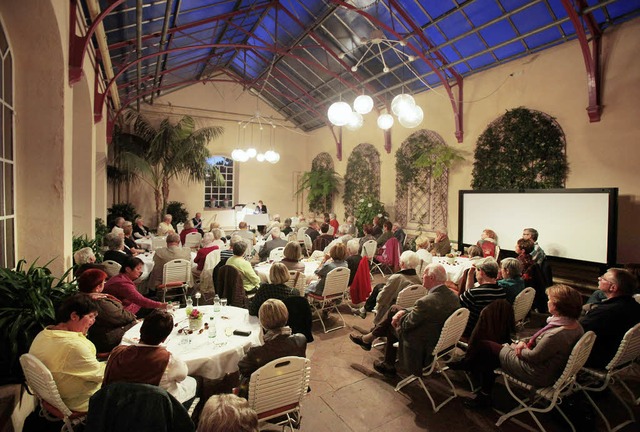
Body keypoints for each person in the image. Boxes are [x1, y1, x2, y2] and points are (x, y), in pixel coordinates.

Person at [463, 284, 584, 408]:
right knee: (492, 352)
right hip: (553, 370)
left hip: (536, 373)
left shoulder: (556, 334)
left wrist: (519, 347)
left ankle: (481, 391)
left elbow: (533, 357)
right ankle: (482, 386)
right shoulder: (576, 326)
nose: (547, 302)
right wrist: (521, 344)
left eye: (550, 300)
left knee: (485, 346)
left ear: (557, 306)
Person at [349, 264, 460, 376]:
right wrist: (403, 311)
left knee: (392, 323)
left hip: (422, 345)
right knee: (394, 310)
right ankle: (371, 342)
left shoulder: (426, 302)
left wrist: (398, 317)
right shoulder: (453, 297)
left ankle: (385, 361)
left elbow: (406, 325)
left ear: (432, 278)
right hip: (440, 340)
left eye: (424, 274)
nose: (422, 277)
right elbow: (426, 312)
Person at [103, 310, 197, 406]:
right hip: (154, 409)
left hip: (116, 406)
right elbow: (181, 377)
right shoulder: (169, 360)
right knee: (193, 381)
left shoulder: (117, 352)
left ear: (140, 330)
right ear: (165, 338)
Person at [28, 294, 105, 412]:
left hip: (53, 396)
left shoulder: (44, 333)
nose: (93, 321)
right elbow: (100, 375)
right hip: (78, 402)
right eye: (90, 316)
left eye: (95, 317)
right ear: (74, 316)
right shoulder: (74, 345)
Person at [237, 299, 306, 397]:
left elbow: (242, 368)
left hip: (262, 397)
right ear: (286, 316)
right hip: (292, 391)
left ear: (262, 322)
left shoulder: (256, 353)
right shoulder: (300, 340)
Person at [580, 268, 640, 368]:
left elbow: (577, 332)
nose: (599, 278)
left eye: (603, 278)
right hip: (623, 358)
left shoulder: (603, 313)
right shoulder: (635, 306)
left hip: (599, 359)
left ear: (613, 287)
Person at [77, 269, 137, 353]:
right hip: (104, 340)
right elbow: (124, 317)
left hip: (99, 334)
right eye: (103, 283)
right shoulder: (99, 302)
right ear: (97, 287)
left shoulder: (80, 296)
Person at [355, 250, 422, 322]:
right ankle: (364, 310)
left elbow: (381, 299)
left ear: (402, 264)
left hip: (392, 309)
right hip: (408, 309)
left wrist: (376, 296)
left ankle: (364, 310)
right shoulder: (419, 280)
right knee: (379, 286)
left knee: (377, 290)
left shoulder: (396, 278)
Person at [104, 256, 168, 318]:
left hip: (121, 307)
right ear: (128, 269)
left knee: (154, 299)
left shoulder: (120, 277)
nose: (140, 272)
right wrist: (161, 305)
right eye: (138, 269)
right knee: (156, 305)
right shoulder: (123, 284)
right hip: (125, 312)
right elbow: (140, 300)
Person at [459, 257, 506, 337]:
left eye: (476, 271)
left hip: (472, 332)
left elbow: (457, 311)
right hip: (492, 331)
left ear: (481, 272)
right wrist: (470, 275)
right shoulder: (502, 291)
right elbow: (470, 294)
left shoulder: (473, 294)